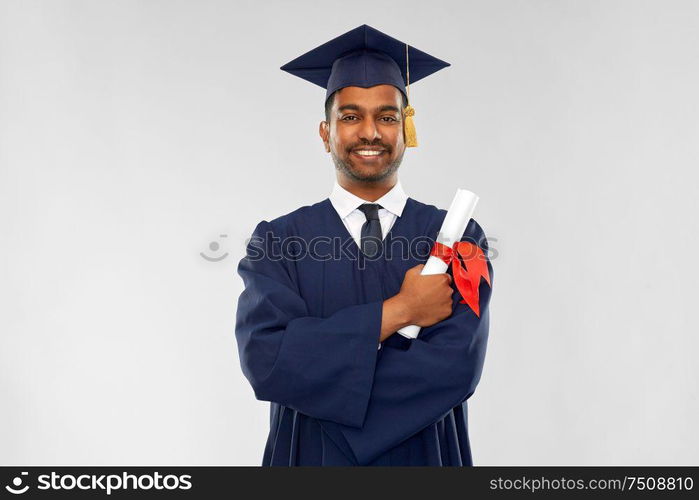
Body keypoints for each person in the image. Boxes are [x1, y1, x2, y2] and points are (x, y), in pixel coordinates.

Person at [235, 24, 493, 466]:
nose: (370, 132)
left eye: (387, 116)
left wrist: (320, 382)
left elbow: (455, 368)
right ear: (325, 133)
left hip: (424, 459)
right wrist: (402, 310)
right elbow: (267, 360)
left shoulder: (458, 237)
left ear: (405, 129)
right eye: (350, 116)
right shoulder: (277, 241)